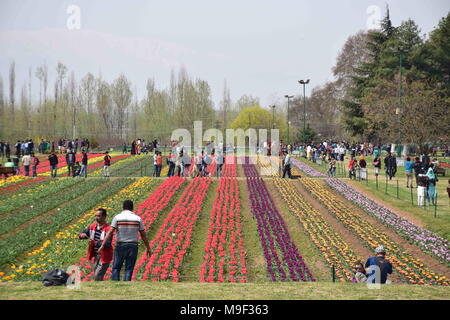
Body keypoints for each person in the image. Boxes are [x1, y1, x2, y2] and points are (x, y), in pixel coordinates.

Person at [98, 200, 151, 281]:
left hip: (120, 245)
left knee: (116, 267)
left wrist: (102, 245)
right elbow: (143, 235)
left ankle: (115, 285)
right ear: (132, 208)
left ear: (123, 207)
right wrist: (148, 247)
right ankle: (126, 285)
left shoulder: (117, 217)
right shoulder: (137, 218)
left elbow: (110, 232)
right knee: (129, 268)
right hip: (133, 245)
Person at [78, 208, 113, 281]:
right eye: (96, 216)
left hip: (104, 255)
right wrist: (82, 235)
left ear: (104, 217)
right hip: (95, 254)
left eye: (99, 216)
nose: (96, 218)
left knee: (97, 275)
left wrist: (95, 242)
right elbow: (84, 233)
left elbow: (107, 244)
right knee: (96, 274)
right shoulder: (92, 226)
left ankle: (98, 288)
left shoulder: (108, 229)